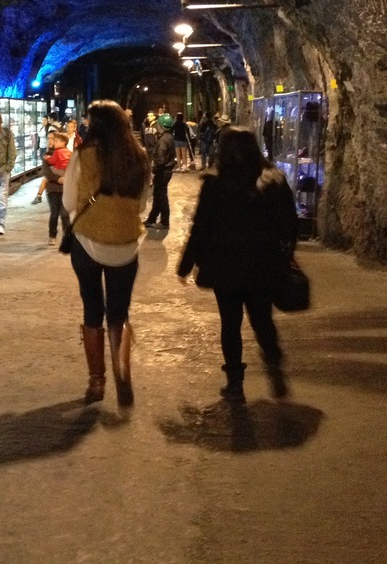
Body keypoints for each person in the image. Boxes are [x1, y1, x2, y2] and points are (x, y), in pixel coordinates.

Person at [176, 127, 299, 401]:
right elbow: (290, 222)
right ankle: (274, 363)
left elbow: (201, 227)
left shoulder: (216, 184)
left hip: (225, 266)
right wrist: (286, 253)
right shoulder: (273, 180)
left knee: (230, 324)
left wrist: (186, 265)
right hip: (262, 264)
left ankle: (235, 384)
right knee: (262, 319)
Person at [63, 100, 150, 406]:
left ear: (95, 124)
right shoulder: (139, 157)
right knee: (119, 312)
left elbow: (70, 202)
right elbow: (141, 206)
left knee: (91, 308)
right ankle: (122, 369)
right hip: (126, 245)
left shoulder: (83, 155)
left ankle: (97, 382)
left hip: (88, 243)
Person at [144, 113, 177, 228]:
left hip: (163, 171)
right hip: (166, 170)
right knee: (158, 195)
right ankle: (151, 219)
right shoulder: (169, 137)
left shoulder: (163, 140)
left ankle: (164, 222)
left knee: (162, 197)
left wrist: (154, 170)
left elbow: (161, 159)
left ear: (161, 125)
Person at [40, 129, 71, 245]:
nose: (51, 141)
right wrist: (58, 179)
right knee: (54, 213)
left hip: (65, 188)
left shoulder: (64, 152)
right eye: (49, 139)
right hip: (53, 188)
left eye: (53, 139)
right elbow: (46, 172)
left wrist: (66, 178)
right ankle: (52, 235)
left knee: (65, 214)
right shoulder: (47, 155)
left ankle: (67, 236)